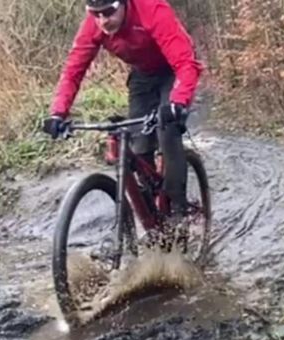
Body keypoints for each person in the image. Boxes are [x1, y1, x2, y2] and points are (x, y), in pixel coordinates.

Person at [42, 0, 203, 230]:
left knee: (167, 131)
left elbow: (186, 63)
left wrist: (177, 102)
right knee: (140, 146)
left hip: (173, 69)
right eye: (95, 14)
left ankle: (179, 211)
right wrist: (58, 112)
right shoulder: (93, 25)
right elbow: (72, 71)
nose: (102, 21)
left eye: (108, 12)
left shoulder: (151, 10)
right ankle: (154, 216)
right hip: (143, 75)